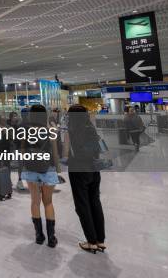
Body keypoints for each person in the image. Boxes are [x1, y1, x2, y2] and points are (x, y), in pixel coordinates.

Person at [64, 105, 106, 254]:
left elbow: (66, 153)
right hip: (94, 169)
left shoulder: (71, 131)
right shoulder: (91, 128)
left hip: (78, 171)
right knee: (95, 202)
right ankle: (100, 240)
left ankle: (91, 242)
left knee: (82, 205)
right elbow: (99, 149)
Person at [20, 104, 61, 248]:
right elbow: (55, 152)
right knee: (48, 202)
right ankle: (51, 237)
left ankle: (39, 236)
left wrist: (26, 165)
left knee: (35, 201)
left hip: (30, 168)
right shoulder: (50, 130)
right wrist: (58, 168)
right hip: (47, 168)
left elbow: (23, 151)